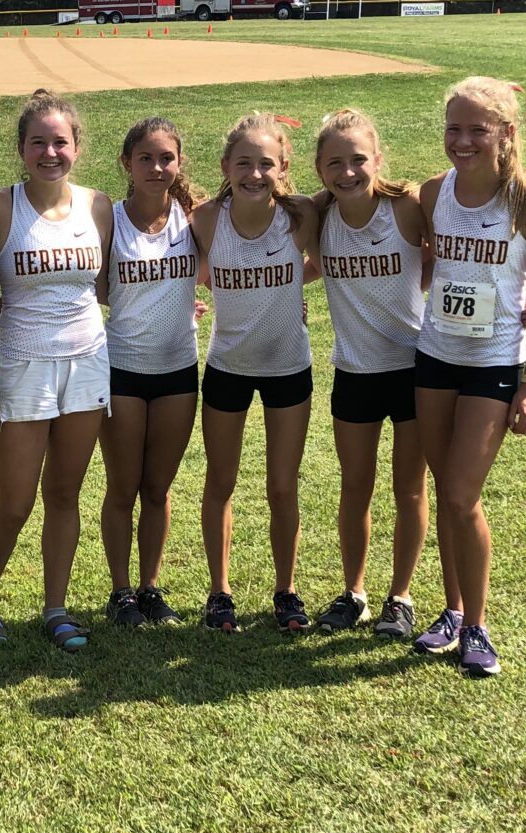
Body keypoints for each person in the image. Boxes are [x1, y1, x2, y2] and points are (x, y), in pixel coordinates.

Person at [412, 78, 526, 677]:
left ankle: (476, 624)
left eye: (478, 129)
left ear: (506, 132)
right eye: (454, 128)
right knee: (444, 486)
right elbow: (425, 264)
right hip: (434, 357)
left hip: (495, 362)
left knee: (460, 494)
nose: (463, 140)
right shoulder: (431, 192)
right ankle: (449, 611)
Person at [0, 89, 112, 653]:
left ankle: (56, 608)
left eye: (60, 142)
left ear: (76, 146)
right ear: (21, 149)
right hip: (24, 364)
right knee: (15, 501)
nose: (50, 152)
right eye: (38, 143)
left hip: (86, 362)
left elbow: (105, 286)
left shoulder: (97, 205)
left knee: (65, 494)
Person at [191, 112, 319, 633]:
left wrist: (291, 287)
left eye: (266, 163)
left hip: (289, 366)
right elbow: (191, 270)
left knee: (282, 486)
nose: (254, 173)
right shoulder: (204, 219)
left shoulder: (302, 214)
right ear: (225, 165)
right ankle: (220, 593)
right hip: (228, 367)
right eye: (243, 163)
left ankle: (286, 590)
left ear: (283, 166)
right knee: (220, 481)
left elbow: (330, 255)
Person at [309, 107, 432, 640]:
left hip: (414, 369)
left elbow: (458, 250)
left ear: (377, 159)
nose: (348, 172)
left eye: (358, 159)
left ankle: (399, 597)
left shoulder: (406, 207)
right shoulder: (316, 214)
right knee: (354, 486)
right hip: (354, 372)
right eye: (334, 162)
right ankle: (354, 592)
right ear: (318, 168)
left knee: (409, 488)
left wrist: (513, 299)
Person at [98, 116, 203, 630]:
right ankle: (120, 591)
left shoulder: (196, 219)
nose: (157, 167)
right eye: (146, 158)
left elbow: (237, 257)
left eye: (166, 158)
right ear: (127, 164)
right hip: (122, 369)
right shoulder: (108, 220)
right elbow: (88, 288)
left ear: (179, 163)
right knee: (123, 487)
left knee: (157, 489)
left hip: (180, 369)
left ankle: (150, 587)